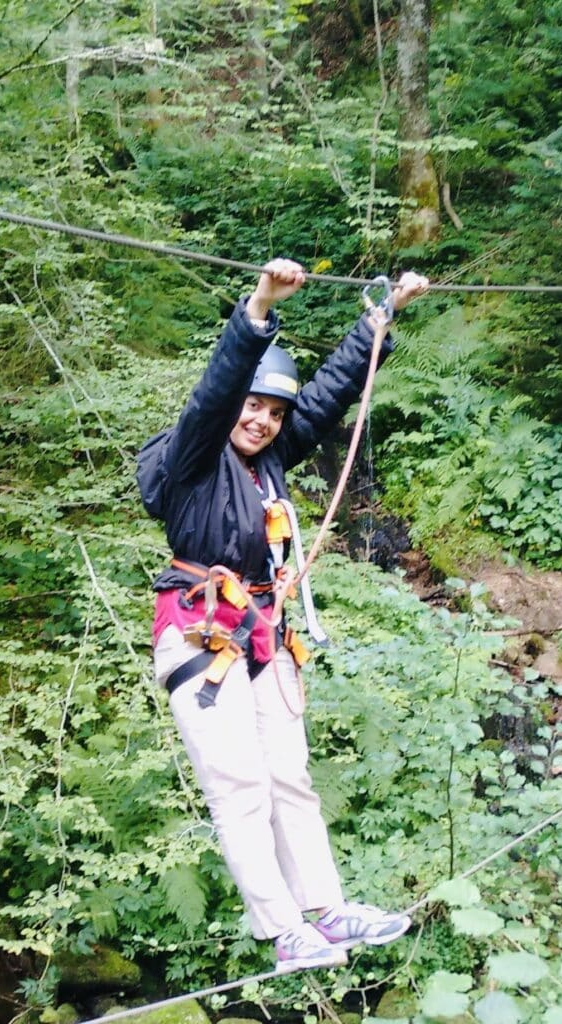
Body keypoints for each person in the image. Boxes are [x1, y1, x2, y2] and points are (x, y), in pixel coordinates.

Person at [136, 258, 429, 972]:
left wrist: (381, 316)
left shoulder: (269, 461)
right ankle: (280, 931)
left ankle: (326, 911)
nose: (262, 420)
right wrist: (259, 308)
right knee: (238, 785)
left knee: (289, 778)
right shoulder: (195, 460)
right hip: (200, 638)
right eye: (254, 406)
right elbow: (213, 398)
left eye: (273, 412)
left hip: (260, 635)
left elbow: (327, 396)